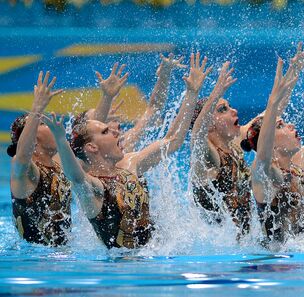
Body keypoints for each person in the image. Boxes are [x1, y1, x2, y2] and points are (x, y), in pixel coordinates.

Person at [41, 53, 210, 249]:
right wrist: (61, 140)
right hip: (123, 269)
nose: (115, 130)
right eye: (105, 130)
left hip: (153, 257)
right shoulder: (91, 184)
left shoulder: (130, 163)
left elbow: (171, 140)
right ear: (91, 147)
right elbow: (76, 176)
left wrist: (191, 93)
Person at [190, 42, 304, 242]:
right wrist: (214, 94)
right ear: (208, 124)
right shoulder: (208, 158)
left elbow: (271, 116)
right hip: (221, 242)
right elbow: (196, 136)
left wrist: (294, 71)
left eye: (230, 106)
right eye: (222, 109)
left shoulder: (235, 142)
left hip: (244, 238)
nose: (234, 111)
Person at [246, 57, 304, 247]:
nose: (291, 125)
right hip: (275, 263)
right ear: (270, 141)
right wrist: (272, 103)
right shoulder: (263, 172)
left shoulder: (299, 161)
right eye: (281, 125)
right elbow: (263, 152)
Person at [8, 71, 69, 246]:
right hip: (36, 262)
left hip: (60, 256)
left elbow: (90, 143)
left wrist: (107, 97)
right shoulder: (25, 173)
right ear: (33, 138)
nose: (50, 124)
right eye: (43, 122)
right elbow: (23, 156)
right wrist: (37, 109)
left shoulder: (58, 164)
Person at [83, 54, 185, 153]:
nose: (108, 113)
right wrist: (107, 98)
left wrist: (164, 75)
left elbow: (154, 108)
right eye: (102, 117)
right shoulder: (80, 163)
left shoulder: (125, 148)